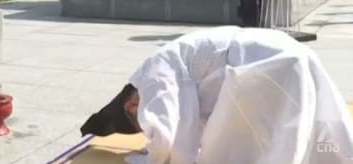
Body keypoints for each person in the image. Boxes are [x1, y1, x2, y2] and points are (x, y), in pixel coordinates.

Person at [80, 26, 353, 164]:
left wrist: (149, 157)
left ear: (132, 105)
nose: (146, 127)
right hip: (282, 52)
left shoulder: (151, 74)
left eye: (140, 122)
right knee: (297, 135)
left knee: (270, 145)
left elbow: (167, 132)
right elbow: (189, 121)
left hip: (261, 63)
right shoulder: (163, 62)